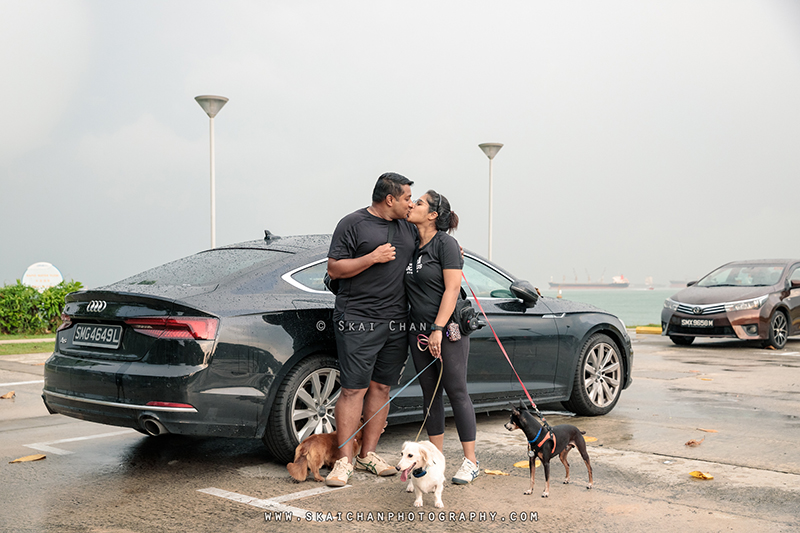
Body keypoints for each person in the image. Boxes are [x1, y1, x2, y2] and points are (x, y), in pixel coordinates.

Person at [325, 172, 417, 487]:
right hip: (357, 319)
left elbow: (429, 248)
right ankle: (343, 461)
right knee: (353, 390)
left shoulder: (408, 227)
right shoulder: (352, 224)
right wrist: (372, 258)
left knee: (381, 388)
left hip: (397, 321)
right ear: (389, 198)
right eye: (406, 197)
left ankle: (368, 455)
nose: (410, 203)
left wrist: (451, 253)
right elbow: (334, 268)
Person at [405, 190, 479, 485]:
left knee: (456, 391)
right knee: (430, 395)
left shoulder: (445, 244)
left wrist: (437, 328)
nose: (412, 205)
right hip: (417, 332)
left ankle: (471, 462)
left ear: (433, 215)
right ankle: (435, 459)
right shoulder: (411, 244)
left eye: (419, 203)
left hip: (446, 331)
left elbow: (451, 289)